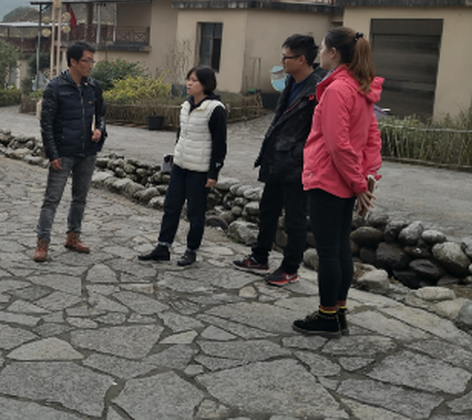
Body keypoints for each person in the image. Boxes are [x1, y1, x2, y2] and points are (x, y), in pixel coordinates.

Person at [293, 27, 383, 338]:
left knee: (329, 252)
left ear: (333, 53)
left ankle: (327, 315)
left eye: (322, 48)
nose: (319, 53)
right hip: (346, 180)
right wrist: (365, 179)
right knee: (341, 248)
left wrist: (360, 184)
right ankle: (338, 313)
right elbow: (371, 139)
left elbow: (337, 144)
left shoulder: (337, 90)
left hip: (328, 179)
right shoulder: (362, 88)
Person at [233, 34, 326, 285]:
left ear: (301, 59)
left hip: (298, 165)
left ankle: (290, 268)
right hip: (276, 159)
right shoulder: (291, 82)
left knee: (295, 219)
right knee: (268, 211)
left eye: (285, 57)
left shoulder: (318, 89)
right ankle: (259, 257)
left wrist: (301, 154)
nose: (282, 61)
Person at [138, 66, 227, 266]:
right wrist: (175, 155)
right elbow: (181, 135)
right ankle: (163, 247)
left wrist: (214, 172)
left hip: (200, 169)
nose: (189, 83)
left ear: (205, 84)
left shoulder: (215, 109)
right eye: (188, 79)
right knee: (171, 207)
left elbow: (220, 144)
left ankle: (191, 250)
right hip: (180, 166)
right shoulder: (186, 106)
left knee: (195, 212)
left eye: (194, 80)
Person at [33, 41, 106, 262]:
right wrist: (52, 153)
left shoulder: (94, 86)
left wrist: (99, 130)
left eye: (92, 61)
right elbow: (46, 124)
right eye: (86, 60)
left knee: (80, 198)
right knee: (52, 199)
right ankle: (42, 243)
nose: (90, 65)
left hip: (87, 151)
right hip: (63, 151)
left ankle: (73, 236)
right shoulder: (55, 87)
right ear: (73, 61)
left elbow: (101, 115)